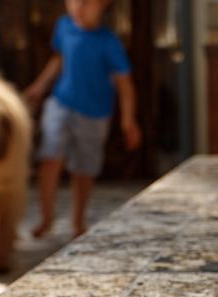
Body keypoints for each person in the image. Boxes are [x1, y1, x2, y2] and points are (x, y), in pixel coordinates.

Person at [23, 0, 141, 239]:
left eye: (86, 2)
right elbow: (59, 59)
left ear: (103, 4)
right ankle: (46, 218)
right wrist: (39, 86)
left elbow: (125, 85)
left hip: (94, 114)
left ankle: (78, 221)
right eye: (73, 1)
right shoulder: (63, 27)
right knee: (49, 158)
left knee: (83, 169)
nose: (78, 6)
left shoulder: (109, 42)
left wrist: (128, 121)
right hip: (61, 103)